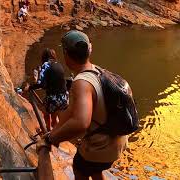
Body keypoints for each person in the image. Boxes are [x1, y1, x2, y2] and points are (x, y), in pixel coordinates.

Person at [37, 30, 128, 180]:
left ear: (66, 54)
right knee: (95, 170)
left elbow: (81, 122)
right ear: (89, 51)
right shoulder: (98, 71)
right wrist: (52, 134)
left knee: (79, 168)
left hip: (101, 147)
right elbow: (69, 113)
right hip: (118, 141)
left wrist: (50, 140)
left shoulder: (82, 83)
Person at [31, 48, 69, 131]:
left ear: (43, 57)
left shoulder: (45, 65)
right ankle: (55, 128)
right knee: (54, 114)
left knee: (45, 112)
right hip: (64, 97)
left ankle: (47, 130)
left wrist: (30, 87)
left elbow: (41, 84)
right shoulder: (58, 64)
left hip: (54, 99)